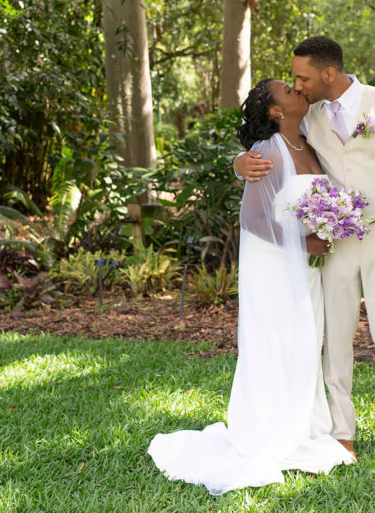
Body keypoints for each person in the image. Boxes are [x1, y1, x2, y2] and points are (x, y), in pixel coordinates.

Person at [147, 79, 354, 495]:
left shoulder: (310, 143)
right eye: (288, 91)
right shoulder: (268, 151)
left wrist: (330, 226)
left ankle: (305, 425)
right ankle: (271, 432)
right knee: (276, 342)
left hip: (308, 268)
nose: (299, 91)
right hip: (276, 267)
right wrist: (308, 240)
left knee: (304, 341)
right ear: (276, 112)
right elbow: (254, 220)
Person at [234, 36, 375, 462]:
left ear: (329, 73)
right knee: (335, 337)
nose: (298, 86)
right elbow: (274, 150)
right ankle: (342, 431)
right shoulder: (310, 115)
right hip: (335, 241)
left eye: (302, 77)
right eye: (293, 82)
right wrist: (239, 161)